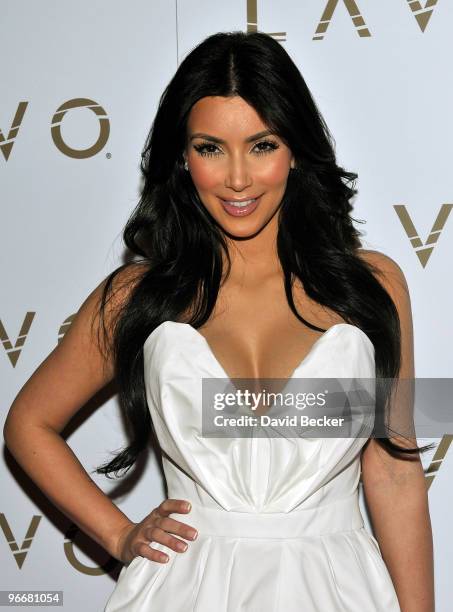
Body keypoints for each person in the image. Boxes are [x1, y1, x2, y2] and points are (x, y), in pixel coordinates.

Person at [3, 30, 434, 612]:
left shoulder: (372, 285)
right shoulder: (139, 296)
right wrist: (117, 535)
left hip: (337, 589)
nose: (237, 179)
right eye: (210, 148)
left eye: (262, 145)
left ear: (296, 150)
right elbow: (28, 423)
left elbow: (394, 474)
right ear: (182, 157)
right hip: (184, 590)